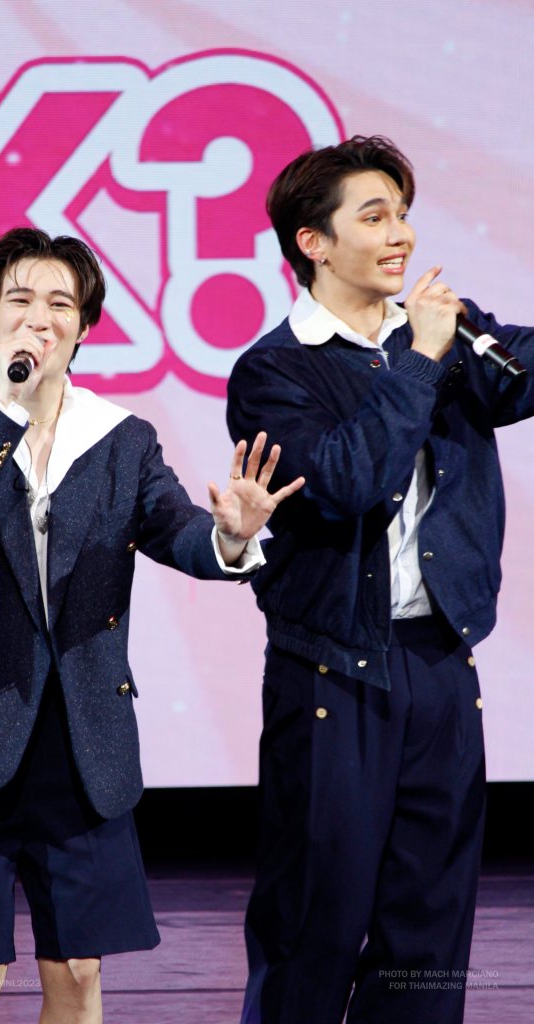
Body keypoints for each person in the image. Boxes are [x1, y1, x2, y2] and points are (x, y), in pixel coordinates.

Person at [0, 226, 304, 1024]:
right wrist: (6, 407)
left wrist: (230, 536)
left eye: (60, 304)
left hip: (78, 729)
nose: (40, 318)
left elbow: (176, 530)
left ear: (85, 326)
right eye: (20, 300)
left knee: (79, 966)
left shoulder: (119, 437)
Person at [226, 135, 534, 1024]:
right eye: (374, 216)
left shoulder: (446, 332)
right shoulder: (274, 370)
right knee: (314, 919)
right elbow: (347, 481)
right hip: (331, 670)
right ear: (313, 242)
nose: (400, 234)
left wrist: (437, 344)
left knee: (427, 923)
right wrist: (419, 361)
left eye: (401, 214)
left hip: (438, 660)